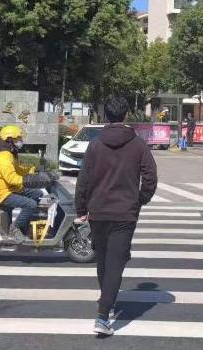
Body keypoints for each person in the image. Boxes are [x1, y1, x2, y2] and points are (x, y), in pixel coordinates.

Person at [75, 96, 158, 336]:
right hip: (124, 213)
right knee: (115, 263)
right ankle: (103, 315)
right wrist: (140, 199)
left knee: (103, 260)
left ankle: (107, 303)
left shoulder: (95, 145)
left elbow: (83, 180)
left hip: (98, 212)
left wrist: (81, 209)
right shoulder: (138, 145)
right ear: (126, 115)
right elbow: (150, 178)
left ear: (106, 116)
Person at [0, 125, 52, 243]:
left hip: (11, 189)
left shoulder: (10, 153)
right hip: (2, 193)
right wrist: (31, 180)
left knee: (37, 193)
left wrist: (34, 170)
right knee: (31, 204)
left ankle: (24, 223)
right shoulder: (3, 156)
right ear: (9, 140)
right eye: (18, 139)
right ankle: (15, 228)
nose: (21, 141)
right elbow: (11, 178)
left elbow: (18, 170)